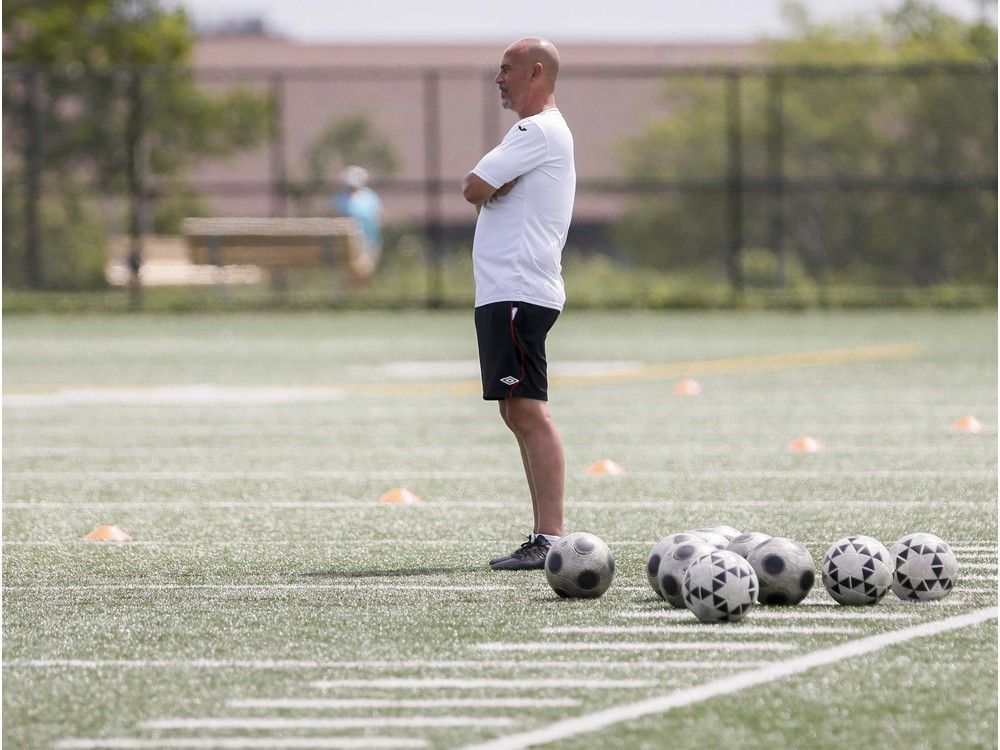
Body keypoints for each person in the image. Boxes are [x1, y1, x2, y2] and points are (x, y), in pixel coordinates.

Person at [461, 37, 576, 571]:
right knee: (517, 411)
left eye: (505, 69)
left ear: (535, 72)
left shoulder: (536, 130)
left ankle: (550, 537)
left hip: (518, 291)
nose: (497, 79)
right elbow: (487, 188)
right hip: (509, 292)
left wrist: (492, 186)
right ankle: (542, 534)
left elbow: (474, 185)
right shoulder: (541, 134)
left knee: (528, 411)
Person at [332, 165, 382, 279]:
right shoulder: (340, 197)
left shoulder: (370, 197)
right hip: (346, 244)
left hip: (368, 241)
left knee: (365, 271)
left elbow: (376, 218)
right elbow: (336, 220)